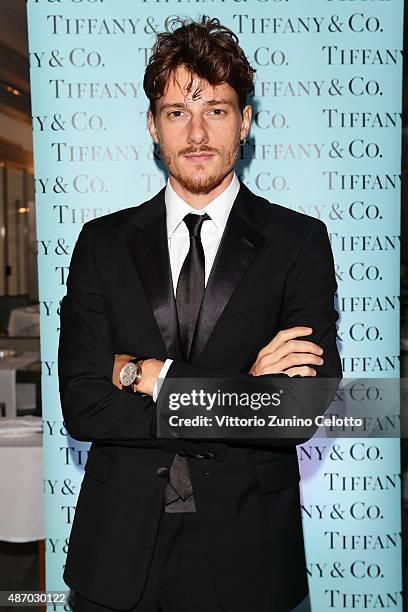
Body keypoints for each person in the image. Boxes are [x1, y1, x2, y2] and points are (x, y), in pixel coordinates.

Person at [58, 16, 342, 612]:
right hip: (118, 550)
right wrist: (246, 392)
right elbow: (83, 404)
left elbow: (297, 413)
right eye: (176, 112)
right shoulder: (101, 243)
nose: (196, 133)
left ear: (244, 122)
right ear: (152, 127)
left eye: (215, 109)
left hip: (250, 555)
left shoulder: (299, 241)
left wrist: (150, 376)